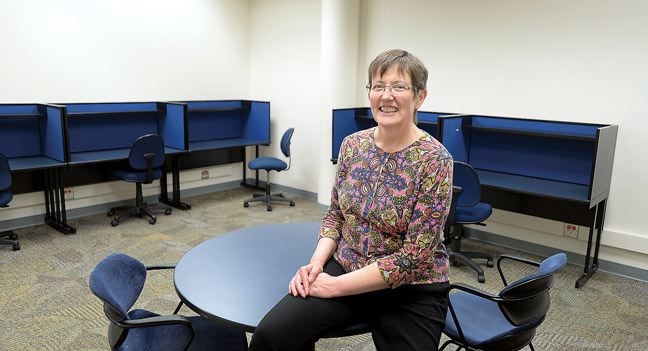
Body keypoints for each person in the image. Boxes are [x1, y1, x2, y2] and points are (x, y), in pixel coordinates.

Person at [249, 49, 453, 351]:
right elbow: (336, 216)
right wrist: (316, 265)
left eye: (399, 87)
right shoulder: (353, 146)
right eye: (378, 86)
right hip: (348, 264)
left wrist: (334, 287)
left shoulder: (435, 160)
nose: (387, 96)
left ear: (420, 96)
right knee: (272, 336)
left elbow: (414, 256)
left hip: (411, 287)